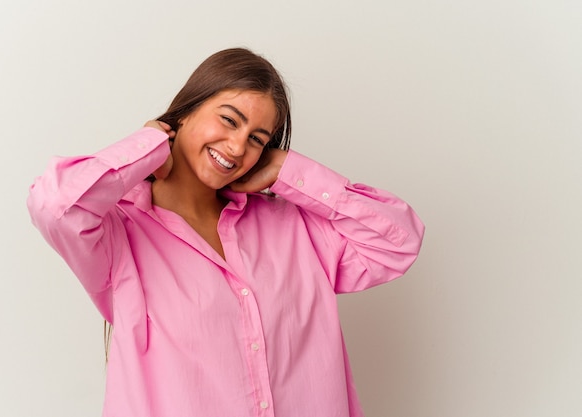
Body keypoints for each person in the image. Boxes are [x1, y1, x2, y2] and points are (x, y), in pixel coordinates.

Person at [27, 47, 425, 417]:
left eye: (257, 139)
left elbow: (398, 241)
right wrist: (148, 144)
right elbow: (55, 205)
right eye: (229, 119)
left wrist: (287, 171)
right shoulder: (120, 234)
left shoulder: (294, 227)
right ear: (186, 113)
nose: (236, 148)